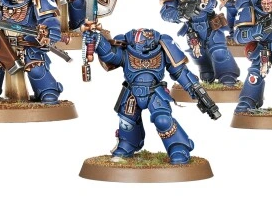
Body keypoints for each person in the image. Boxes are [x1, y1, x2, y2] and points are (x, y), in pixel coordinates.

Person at [83, 28, 220, 164]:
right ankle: (128, 144)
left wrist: (194, 88)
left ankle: (178, 146)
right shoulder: (126, 50)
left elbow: (180, 71)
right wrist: (98, 39)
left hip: (155, 92)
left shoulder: (163, 49)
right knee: (126, 121)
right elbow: (109, 54)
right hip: (132, 93)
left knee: (163, 120)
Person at [160, 0, 240, 86]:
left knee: (219, 50)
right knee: (198, 53)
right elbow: (165, 13)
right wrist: (181, 14)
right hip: (191, 28)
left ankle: (227, 75)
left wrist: (232, 3)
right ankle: (207, 72)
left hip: (211, 24)